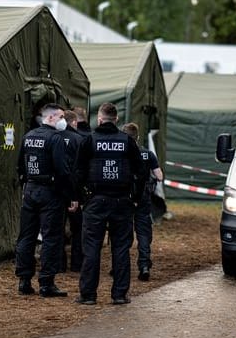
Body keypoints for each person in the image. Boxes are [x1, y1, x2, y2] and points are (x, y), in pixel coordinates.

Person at [74, 103, 146, 305]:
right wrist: (135, 198)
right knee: (121, 249)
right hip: (122, 201)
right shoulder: (127, 141)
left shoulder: (89, 140)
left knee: (91, 249)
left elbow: (78, 173)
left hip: (96, 201)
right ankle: (120, 294)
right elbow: (142, 173)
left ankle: (88, 295)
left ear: (99, 119)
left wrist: (83, 198)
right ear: (116, 120)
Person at [15, 103, 78, 297]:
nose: (62, 121)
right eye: (60, 117)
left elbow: (20, 166)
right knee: (51, 237)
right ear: (50, 118)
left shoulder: (28, 136)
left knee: (26, 236)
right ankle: (46, 283)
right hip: (51, 192)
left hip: (30, 190)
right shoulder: (56, 138)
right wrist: (71, 196)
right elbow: (63, 170)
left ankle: (24, 281)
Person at [121, 123, 163, 281]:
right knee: (143, 232)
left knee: (122, 232)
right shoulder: (147, 154)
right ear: (137, 137)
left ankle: (118, 266)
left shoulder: (121, 153)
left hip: (124, 196)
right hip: (143, 197)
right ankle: (144, 265)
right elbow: (159, 176)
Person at [59, 110, 84, 272]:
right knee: (78, 229)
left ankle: (59, 264)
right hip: (75, 190)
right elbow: (81, 168)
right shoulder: (79, 139)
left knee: (57, 228)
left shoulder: (54, 136)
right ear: (74, 122)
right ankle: (77, 263)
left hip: (57, 190)